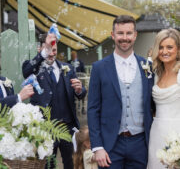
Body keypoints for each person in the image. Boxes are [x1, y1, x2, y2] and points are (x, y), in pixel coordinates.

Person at [87, 15, 154, 169]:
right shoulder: (99, 68)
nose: (125, 38)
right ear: (113, 35)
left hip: (140, 144)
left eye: (129, 33)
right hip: (110, 146)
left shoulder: (147, 67)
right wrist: (97, 147)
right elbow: (92, 109)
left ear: (135, 35)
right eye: (120, 33)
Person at [22, 33, 87, 169]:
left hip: (68, 127)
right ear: (40, 49)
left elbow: (80, 94)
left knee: (72, 164)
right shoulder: (33, 68)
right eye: (48, 50)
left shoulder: (67, 68)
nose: (52, 54)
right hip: (46, 129)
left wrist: (80, 90)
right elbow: (26, 71)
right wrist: (43, 54)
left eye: (54, 50)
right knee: (48, 165)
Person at [148, 28, 180, 169]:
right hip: (156, 133)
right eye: (160, 47)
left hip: (177, 133)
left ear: (178, 50)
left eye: (169, 47)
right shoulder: (155, 74)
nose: (164, 51)